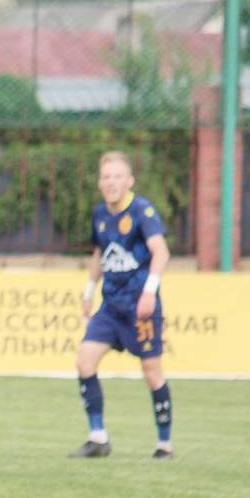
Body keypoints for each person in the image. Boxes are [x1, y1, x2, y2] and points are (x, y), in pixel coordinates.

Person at [71, 151, 173, 460]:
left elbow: (161, 252)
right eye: (106, 177)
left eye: (117, 176)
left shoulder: (142, 211)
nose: (111, 182)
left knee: (151, 372)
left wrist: (149, 292)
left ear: (129, 181)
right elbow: (100, 254)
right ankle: (98, 439)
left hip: (140, 309)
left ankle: (164, 444)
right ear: (99, 182)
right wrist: (89, 290)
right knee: (84, 362)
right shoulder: (100, 215)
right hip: (111, 308)